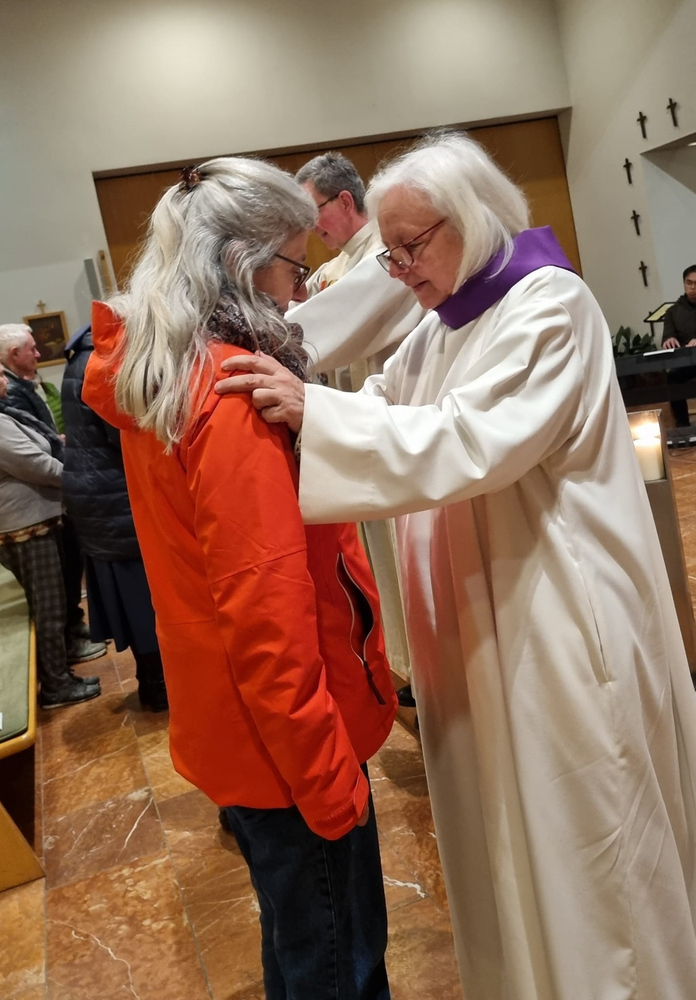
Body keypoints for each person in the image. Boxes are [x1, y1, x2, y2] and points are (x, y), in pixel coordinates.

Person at [216, 133, 696, 1000]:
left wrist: (316, 417)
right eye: (390, 253)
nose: (398, 271)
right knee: (501, 835)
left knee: (587, 837)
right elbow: (382, 401)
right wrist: (300, 409)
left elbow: (470, 440)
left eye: (410, 247)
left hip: (556, 617)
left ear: (471, 222)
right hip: (484, 622)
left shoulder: (549, 304)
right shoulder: (446, 324)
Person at [82, 157, 396, 1000]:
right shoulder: (229, 395)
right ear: (240, 263)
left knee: (299, 951)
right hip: (291, 747)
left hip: (242, 728)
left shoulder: (167, 375)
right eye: (294, 264)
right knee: (339, 967)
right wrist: (326, 776)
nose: (299, 290)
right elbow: (266, 612)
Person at [293, 152, 425, 706]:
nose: (311, 230)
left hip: (397, 419)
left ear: (345, 200)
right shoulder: (339, 265)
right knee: (380, 556)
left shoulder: (382, 258)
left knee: (403, 551)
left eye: (314, 214)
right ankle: (404, 663)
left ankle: (421, 667)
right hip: (357, 425)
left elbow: (332, 329)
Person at [61, 324, 168, 712]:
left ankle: (154, 682)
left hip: (97, 495)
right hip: (113, 497)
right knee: (141, 596)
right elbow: (126, 431)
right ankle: (158, 686)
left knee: (133, 595)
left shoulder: (83, 356)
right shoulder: (103, 361)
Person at [0, 323, 107, 665]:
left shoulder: (17, 395)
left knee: (62, 585)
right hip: (26, 520)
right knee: (50, 597)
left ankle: (70, 642)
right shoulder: (8, 406)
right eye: (30, 349)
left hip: (44, 508)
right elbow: (32, 462)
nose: (37, 353)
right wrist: (74, 477)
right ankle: (60, 673)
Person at [661, 265, 696, 427]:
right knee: (673, 377)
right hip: (687, 363)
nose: (693, 288)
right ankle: (682, 426)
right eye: (689, 283)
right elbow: (668, 335)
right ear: (684, 284)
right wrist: (668, 340)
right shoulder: (673, 312)